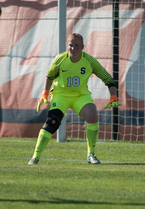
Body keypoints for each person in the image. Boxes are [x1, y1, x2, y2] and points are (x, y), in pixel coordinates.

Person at [28, 33, 121, 165]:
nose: (73, 48)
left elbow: (108, 79)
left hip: (80, 96)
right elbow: (49, 76)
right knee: (52, 122)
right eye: (71, 45)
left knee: (92, 115)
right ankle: (35, 156)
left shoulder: (89, 61)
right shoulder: (60, 59)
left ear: (82, 47)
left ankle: (91, 154)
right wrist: (45, 94)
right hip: (60, 95)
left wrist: (113, 96)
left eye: (77, 45)